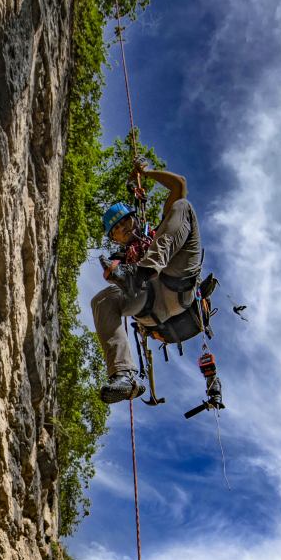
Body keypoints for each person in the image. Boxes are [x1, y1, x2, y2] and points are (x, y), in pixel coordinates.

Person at [91, 156, 202, 403]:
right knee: (102, 300)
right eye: (117, 229)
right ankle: (124, 377)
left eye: (126, 220)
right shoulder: (118, 261)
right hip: (149, 305)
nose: (124, 228)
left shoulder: (160, 231)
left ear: (136, 218)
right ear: (114, 240)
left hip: (176, 285)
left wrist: (146, 172)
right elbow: (115, 290)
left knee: (183, 207)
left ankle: (143, 272)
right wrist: (126, 271)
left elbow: (179, 185)